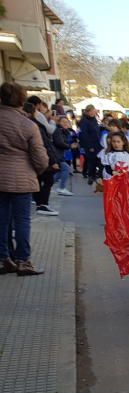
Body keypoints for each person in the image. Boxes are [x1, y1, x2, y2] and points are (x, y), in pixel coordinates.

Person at [0, 81, 48, 276]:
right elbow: (40, 156)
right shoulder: (28, 124)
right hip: (22, 176)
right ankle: (23, 261)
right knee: (22, 221)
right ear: (22, 100)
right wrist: (37, 170)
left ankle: (3, 259)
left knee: (2, 220)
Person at [23, 102, 60, 216]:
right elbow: (44, 143)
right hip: (40, 157)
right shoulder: (34, 125)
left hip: (31, 158)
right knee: (48, 179)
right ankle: (42, 204)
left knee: (40, 180)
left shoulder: (26, 124)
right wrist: (52, 161)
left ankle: (40, 203)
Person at [52, 116, 75, 196]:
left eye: (67, 122)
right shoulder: (58, 131)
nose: (65, 123)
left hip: (59, 155)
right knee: (66, 168)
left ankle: (48, 185)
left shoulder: (64, 131)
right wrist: (69, 146)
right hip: (56, 155)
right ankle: (61, 188)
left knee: (60, 171)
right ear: (59, 122)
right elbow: (59, 142)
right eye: (63, 122)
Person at [78, 105, 101, 185]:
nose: (92, 113)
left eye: (93, 111)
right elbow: (84, 135)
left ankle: (94, 175)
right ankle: (91, 176)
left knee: (96, 160)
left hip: (97, 143)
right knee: (91, 160)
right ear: (87, 112)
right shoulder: (84, 121)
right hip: (90, 144)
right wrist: (89, 146)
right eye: (91, 111)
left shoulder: (94, 119)